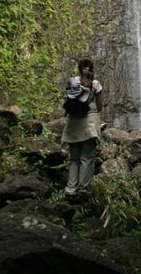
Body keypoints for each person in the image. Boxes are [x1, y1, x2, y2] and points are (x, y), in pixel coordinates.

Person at [62, 57, 103, 202]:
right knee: (87, 157)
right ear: (92, 69)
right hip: (88, 125)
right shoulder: (95, 85)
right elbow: (99, 107)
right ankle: (83, 190)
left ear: (79, 69)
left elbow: (68, 102)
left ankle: (71, 189)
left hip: (73, 124)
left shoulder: (72, 82)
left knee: (74, 158)